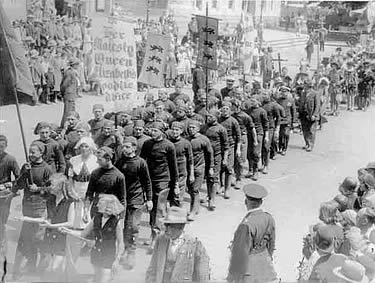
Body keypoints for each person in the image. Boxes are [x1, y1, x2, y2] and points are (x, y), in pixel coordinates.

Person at [12, 141, 53, 280]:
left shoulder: (47, 169)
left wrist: (39, 189)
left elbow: (52, 190)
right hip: (27, 208)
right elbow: (18, 185)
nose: (30, 154)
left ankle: (41, 269)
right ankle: (28, 264)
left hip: (41, 208)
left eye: (33, 152)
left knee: (38, 239)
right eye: (29, 151)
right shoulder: (26, 166)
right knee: (26, 238)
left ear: (41, 153)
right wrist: (24, 173)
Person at [61, 194, 125, 283]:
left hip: (108, 256)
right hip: (96, 254)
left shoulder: (116, 222)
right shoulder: (96, 218)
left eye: (100, 204)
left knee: (103, 279)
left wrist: (117, 260)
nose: (97, 205)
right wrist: (68, 231)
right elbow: (83, 234)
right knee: (97, 278)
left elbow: (121, 243)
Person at [115, 137, 153, 269]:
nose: (124, 149)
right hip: (122, 199)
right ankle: (124, 249)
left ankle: (131, 251)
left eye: (127, 147)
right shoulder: (120, 162)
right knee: (123, 225)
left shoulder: (141, 163)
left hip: (136, 199)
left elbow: (147, 182)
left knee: (133, 226)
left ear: (134, 148)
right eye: (123, 146)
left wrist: (149, 199)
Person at [227, 184, 277, 283]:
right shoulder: (269, 218)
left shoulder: (245, 225)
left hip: (249, 270)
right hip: (265, 265)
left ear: (246, 202)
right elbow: (271, 244)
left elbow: (240, 254)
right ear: (261, 202)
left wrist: (232, 276)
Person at [145, 206, 210, 283]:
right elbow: (152, 268)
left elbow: (202, 276)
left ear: (180, 228)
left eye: (169, 226)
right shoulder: (161, 240)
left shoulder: (195, 245)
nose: (165, 229)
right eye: (165, 225)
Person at [140, 122, 179, 249]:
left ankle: (157, 237)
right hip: (150, 179)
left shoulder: (169, 146)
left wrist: (176, 184)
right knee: (152, 208)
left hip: (163, 180)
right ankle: (154, 234)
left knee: (159, 208)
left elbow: (173, 167)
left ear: (162, 132)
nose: (152, 132)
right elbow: (141, 161)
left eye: (155, 130)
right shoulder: (147, 144)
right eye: (151, 130)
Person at [85, 146, 126, 218]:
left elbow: (122, 198)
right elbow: (89, 193)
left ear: (108, 159)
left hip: (111, 211)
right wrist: (86, 210)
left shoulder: (118, 176)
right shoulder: (95, 173)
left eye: (99, 160)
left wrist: (121, 215)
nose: (97, 162)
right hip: (96, 209)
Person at [201, 110, 229, 210]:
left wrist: (225, 158)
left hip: (217, 155)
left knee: (213, 177)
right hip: (205, 155)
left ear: (216, 117)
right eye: (207, 117)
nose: (208, 119)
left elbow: (226, 146)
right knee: (207, 177)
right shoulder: (203, 127)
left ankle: (212, 199)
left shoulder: (221, 129)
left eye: (211, 117)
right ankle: (208, 195)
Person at [187, 120, 213, 220]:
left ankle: (193, 211)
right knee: (189, 189)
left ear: (198, 129)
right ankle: (196, 206)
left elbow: (210, 154)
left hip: (199, 167)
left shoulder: (204, 139)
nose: (191, 129)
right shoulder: (187, 140)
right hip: (189, 168)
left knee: (195, 189)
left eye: (193, 127)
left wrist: (210, 167)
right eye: (189, 127)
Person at [0, 135, 20, 257]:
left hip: (3, 195)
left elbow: (19, 178)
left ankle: (2, 248)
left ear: (5, 146)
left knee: (2, 221)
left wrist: (9, 184)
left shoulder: (10, 159)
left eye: (1, 146)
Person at [232, 99, 257, 189]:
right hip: (232, 138)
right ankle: (234, 176)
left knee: (240, 160)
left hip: (242, 138)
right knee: (233, 160)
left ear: (238, 106)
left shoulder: (245, 116)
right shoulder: (231, 116)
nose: (232, 108)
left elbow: (252, 128)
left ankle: (238, 179)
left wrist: (255, 140)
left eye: (233, 106)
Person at [169, 122, 194, 208]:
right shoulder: (168, 142)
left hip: (181, 173)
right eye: (173, 129)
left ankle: (178, 214)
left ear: (181, 131)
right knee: (170, 195)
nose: (174, 132)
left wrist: (191, 174)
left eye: (177, 130)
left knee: (178, 195)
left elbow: (190, 160)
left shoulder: (186, 143)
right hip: (170, 172)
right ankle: (171, 215)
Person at [219, 102, 241, 198]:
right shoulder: (218, 120)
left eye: (227, 109)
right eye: (223, 109)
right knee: (220, 167)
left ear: (230, 110)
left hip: (230, 146)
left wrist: (238, 149)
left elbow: (239, 136)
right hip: (220, 146)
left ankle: (227, 189)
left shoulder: (233, 121)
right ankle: (221, 185)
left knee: (228, 168)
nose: (224, 111)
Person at [299, 82, 320, 152]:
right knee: (305, 130)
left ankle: (311, 145)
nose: (305, 88)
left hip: (311, 114)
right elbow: (301, 103)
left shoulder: (315, 93)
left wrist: (314, 115)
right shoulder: (303, 93)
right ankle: (307, 143)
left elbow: (317, 106)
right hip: (303, 114)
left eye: (306, 86)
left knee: (311, 130)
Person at [277, 86, 297, 155]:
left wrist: (294, 120)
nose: (283, 93)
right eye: (282, 92)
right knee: (280, 134)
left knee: (286, 134)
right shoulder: (278, 100)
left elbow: (293, 110)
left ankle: (284, 148)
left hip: (288, 119)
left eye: (285, 92)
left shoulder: (291, 100)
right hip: (280, 119)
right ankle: (280, 147)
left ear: (288, 92)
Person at [60, 58, 80, 128]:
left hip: (72, 94)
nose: (78, 66)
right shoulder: (69, 72)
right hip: (69, 94)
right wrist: (63, 93)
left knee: (71, 111)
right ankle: (64, 126)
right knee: (68, 111)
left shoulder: (73, 72)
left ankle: (69, 125)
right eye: (77, 64)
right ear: (73, 65)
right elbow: (65, 84)